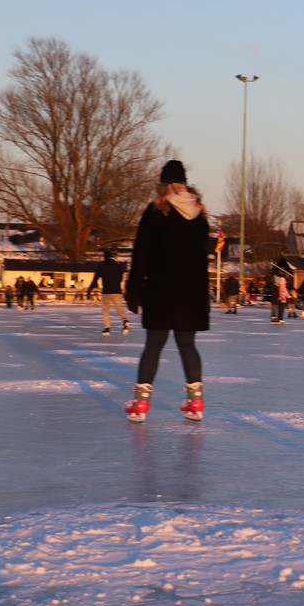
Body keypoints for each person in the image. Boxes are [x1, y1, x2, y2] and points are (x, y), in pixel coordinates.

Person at [123, 160, 212, 422]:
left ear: (163, 182)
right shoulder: (200, 215)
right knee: (188, 345)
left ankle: (141, 404)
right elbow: (202, 257)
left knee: (153, 345)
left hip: (161, 290)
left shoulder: (155, 211)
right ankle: (195, 403)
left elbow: (141, 253)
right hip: (191, 293)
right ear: (185, 183)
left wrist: (133, 289)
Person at [90, 248, 130, 336]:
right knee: (119, 308)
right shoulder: (118, 266)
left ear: (105, 257)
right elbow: (120, 279)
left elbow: (95, 279)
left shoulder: (101, 266)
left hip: (106, 291)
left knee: (105, 310)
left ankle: (107, 328)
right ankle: (125, 320)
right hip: (117, 291)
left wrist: (90, 289)